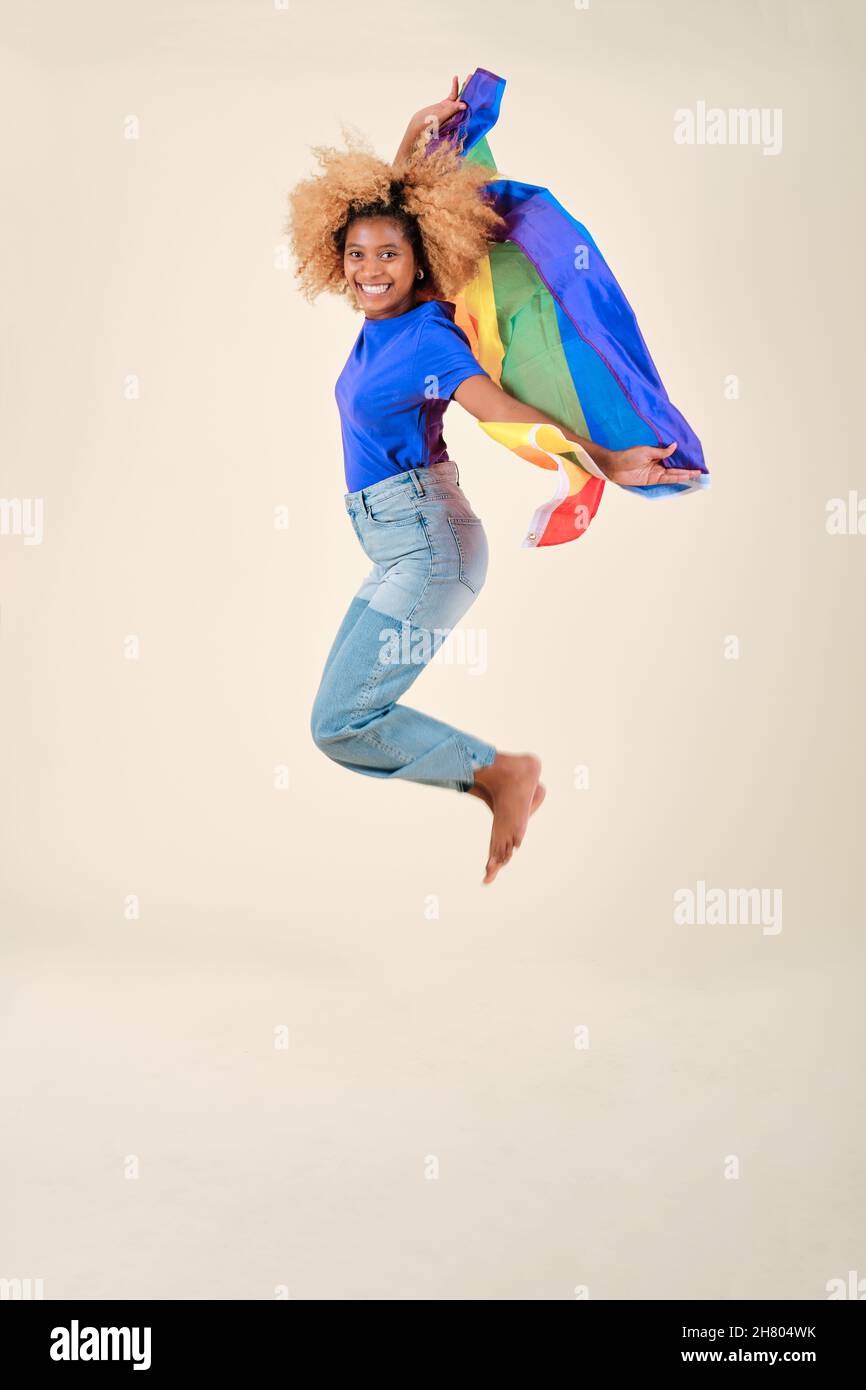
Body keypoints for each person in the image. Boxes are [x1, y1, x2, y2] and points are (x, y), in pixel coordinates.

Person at [286, 78, 703, 885]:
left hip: (429, 549)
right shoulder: (385, 316)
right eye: (359, 254)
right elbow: (393, 206)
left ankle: (499, 774)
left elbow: (502, 409)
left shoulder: (429, 340)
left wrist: (605, 463)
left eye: (390, 256)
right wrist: (412, 133)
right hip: (395, 548)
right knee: (338, 715)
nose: (371, 268)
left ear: (421, 263)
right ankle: (496, 774)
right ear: (339, 258)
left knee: (340, 722)